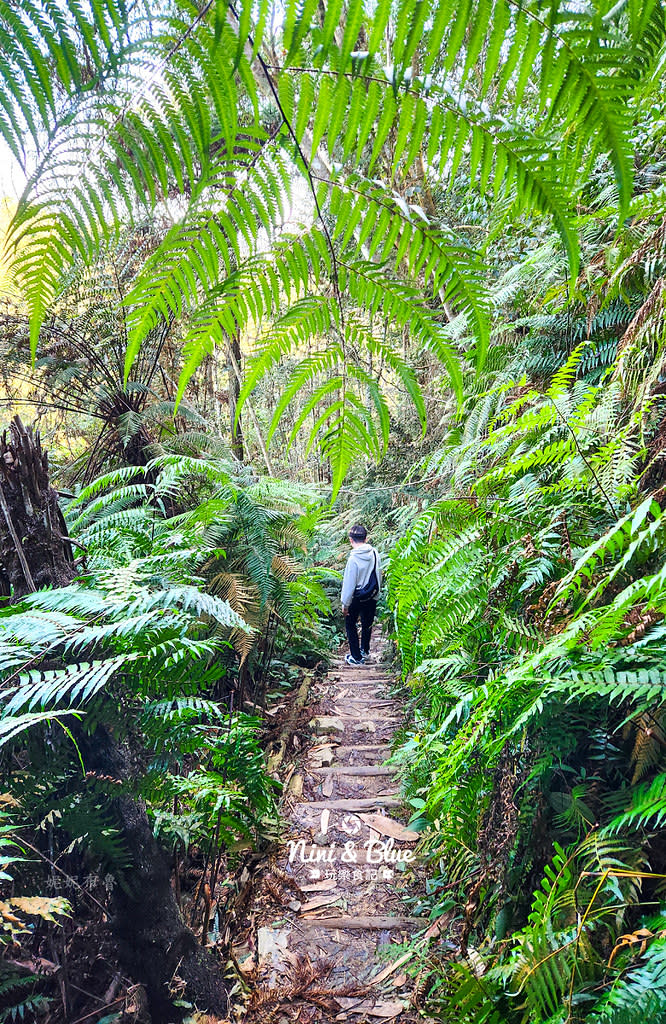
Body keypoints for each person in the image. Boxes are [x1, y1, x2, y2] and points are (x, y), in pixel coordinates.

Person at [341, 524, 382, 666]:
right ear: (366, 538)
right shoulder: (374, 553)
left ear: (350, 540)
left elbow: (349, 583)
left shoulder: (353, 559)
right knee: (367, 624)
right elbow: (378, 573)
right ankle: (365, 651)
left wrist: (345, 604)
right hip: (371, 595)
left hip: (356, 597)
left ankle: (356, 657)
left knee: (350, 624)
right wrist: (377, 594)